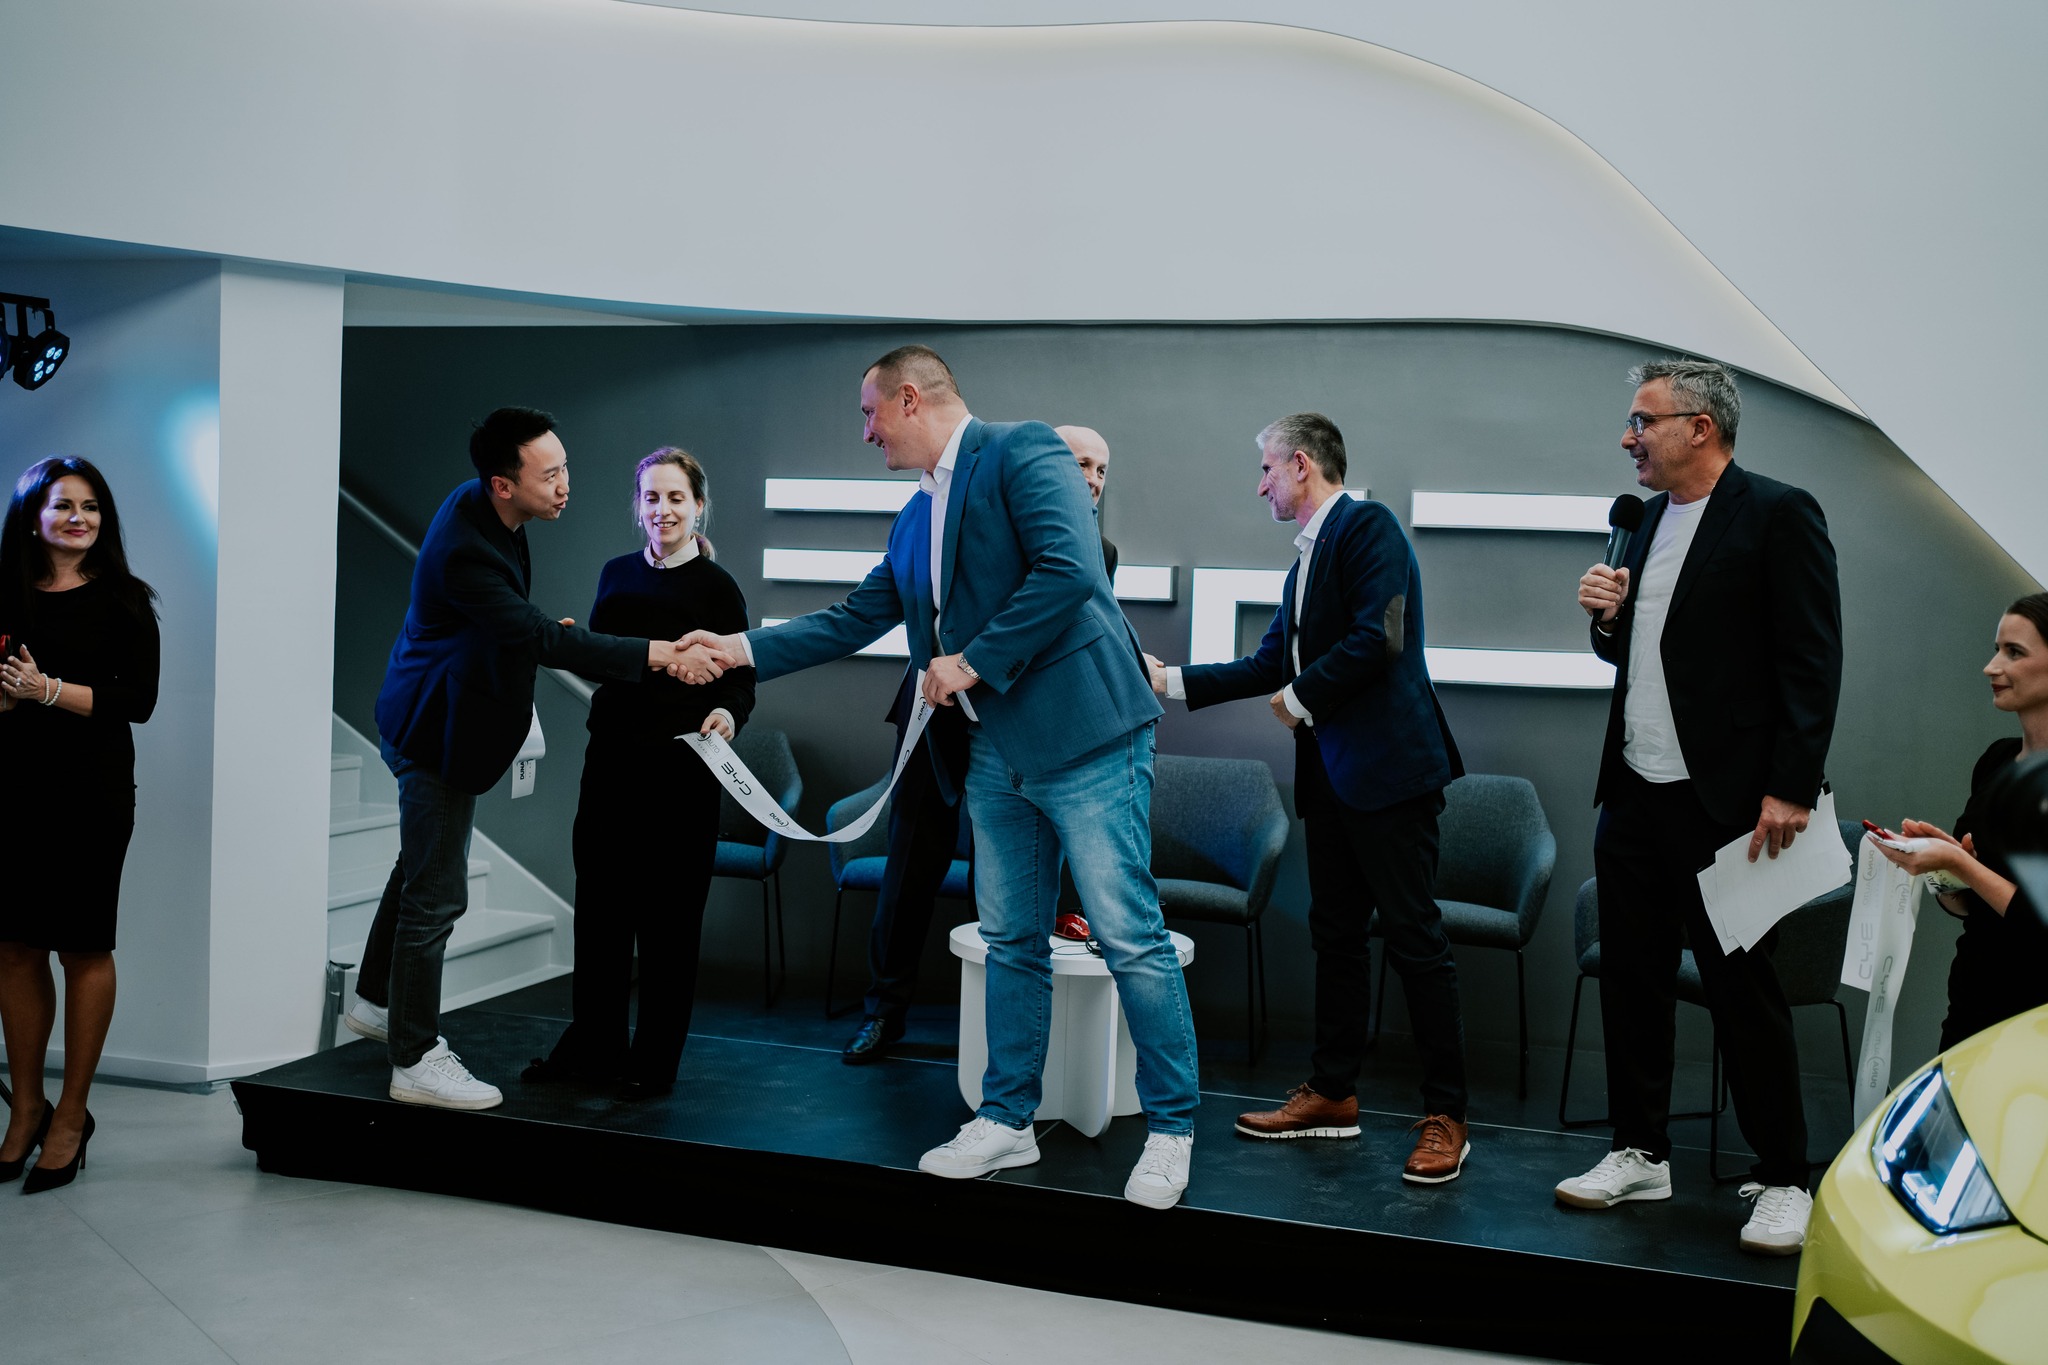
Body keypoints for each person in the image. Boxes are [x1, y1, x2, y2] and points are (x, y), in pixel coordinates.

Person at [683, 346, 1202, 1209]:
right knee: (1011, 939)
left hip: (1088, 739)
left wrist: (970, 661)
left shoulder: (1023, 449)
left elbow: (1069, 570)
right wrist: (739, 648)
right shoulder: (914, 514)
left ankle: (1173, 1127)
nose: (866, 433)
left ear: (909, 399)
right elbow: (855, 615)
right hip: (994, 752)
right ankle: (1007, 1118)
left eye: (869, 414)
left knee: (1129, 935)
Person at [342, 408, 710, 1111]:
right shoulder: (468, 548)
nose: (566, 484)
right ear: (503, 484)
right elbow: (538, 636)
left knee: (419, 867)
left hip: (440, 713)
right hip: (434, 732)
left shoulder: (485, 507)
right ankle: (414, 1058)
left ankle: (378, 1001)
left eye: (564, 466)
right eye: (550, 475)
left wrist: (535, 631)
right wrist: (658, 653)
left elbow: (516, 625)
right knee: (437, 894)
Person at [1144, 413, 1472, 1184]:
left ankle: (1448, 1116)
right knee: (1336, 936)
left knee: (1416, 941)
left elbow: (1378, 638)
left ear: (1299, 463)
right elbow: (1269, 661)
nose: (1259, 486)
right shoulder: (1304, 564)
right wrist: (1171, 681)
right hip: (1329, 779)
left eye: (1265, 469)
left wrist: (1298, 697)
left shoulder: (1366, 527)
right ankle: (1332, 1092)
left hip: (1391, 776)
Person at [1563, 359, 1842, 1257]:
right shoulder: (1643, 522)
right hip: (1634, 793)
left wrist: (1791, 784)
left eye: (1642, 421)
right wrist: (1607, 619)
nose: (1627, 437)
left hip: (1728, 804)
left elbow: (1811, 659)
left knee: (1743, 992)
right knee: (1633, 980)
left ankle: (1786, 1175)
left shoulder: (1778, 513)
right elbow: (1639, 657)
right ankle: (1641, 1150)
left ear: (1700, 427)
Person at [843, 423, 1114, 1065]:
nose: (1091, 480)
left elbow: (1064, 633)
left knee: (1004, 879)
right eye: (1079, 463)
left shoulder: (1096, 551)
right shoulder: (949, 519)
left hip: (1016, 726)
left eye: (1101, 470)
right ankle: (883, 1012)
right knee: (910, 866)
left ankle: (992, 1030)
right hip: (934, 714)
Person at [521, 448, 755, 1098]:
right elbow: (609, 660)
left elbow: (742, 683)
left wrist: (727, 715)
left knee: (669, 925)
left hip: (682, 776)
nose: (663, 510)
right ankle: (594, 1048)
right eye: (651, 497)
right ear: (638, 505)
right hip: (611, 768)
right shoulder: (616, 574)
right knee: (599, 917)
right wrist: (572, 644)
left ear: (698, 505)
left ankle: (653, 1063)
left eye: (675, 497)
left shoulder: (718, 588)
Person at [0, 457, 160, 1193]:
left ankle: (70, 1115)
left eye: (91, 506)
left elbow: (138, 701)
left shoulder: (125, 600)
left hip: (91, 795)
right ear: (32, 516)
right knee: (14, 947)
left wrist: (46, 690)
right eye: (64, 505)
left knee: (83, 946)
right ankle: (25, 1108)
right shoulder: (6, 598)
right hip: (11, 790)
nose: (79, 518)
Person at [1872, 593, 2048, 1049]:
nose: (1991, 667)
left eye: (2014, 652)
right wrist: (1944, 871)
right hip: (1972, 1000)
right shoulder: (1996, 761)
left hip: (2035, 1019)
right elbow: (1968, 907)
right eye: (1996, 649)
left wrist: (1961, 864)